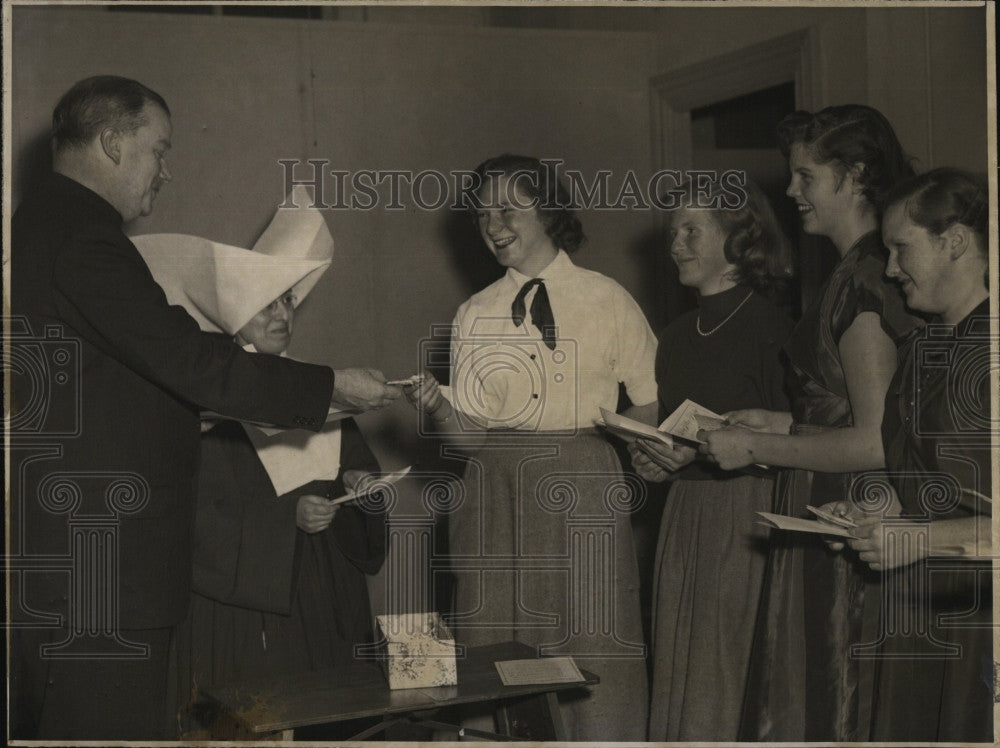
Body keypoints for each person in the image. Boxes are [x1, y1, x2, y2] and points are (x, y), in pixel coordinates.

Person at [9, 75, 400, 740]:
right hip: (103, 569)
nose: (166, 171)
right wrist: (329, 386)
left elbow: (111, 391)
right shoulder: (81, 235)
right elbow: (188, 359)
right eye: (158, 150)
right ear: (111, 142)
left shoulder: (48, 225)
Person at [405, 154, 657, 741]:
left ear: (547, 210)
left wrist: (624, 459)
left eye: (508, 208)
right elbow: (468, 435)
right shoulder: (474, 313)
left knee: (594, 641)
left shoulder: (607, 297)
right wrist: (437, 404)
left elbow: (646, 401)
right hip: (494, 493)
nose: (493, 224)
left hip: (585, 486)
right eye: (483, 213)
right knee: (494, 641)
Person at [699, 105, 923, 741]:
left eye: (804, 177)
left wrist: (755, 446)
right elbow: (852, 407)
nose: (791, 192)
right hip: (826, 500)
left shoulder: (866, 278)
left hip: (848, 508)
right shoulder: (853, 270)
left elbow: (878, 440)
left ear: (853, 175)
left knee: (831, 692)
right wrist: (779, 421)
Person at [134, 229, 387, 738]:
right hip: (244, 607)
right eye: (266, 305)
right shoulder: (207, 396)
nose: (282, 316)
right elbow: (192, 510)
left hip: (324, 598)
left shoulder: (315, 388)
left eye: (289, 302)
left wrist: (362, 489)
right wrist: (285, 516)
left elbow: (356, 473)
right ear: (233, 314)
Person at [825, 168, 991, 741]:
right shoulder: (926, 347)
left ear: (955, 243)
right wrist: (881, 510)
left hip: (982, 620)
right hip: (918, 605)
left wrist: (920, 537)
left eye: (901, 249)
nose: (890, 270)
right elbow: (933, 478)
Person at [629, 177, 794, 741]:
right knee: (681, 665)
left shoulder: (776, 329)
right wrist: (657, 459)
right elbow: (680, 436)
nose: (676, 243)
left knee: (726, 669)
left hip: (747, 518)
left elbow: (801, 444)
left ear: (740, 239)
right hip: (684, 516)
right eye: (673, 232)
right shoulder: (673, 336)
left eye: (691, 231)